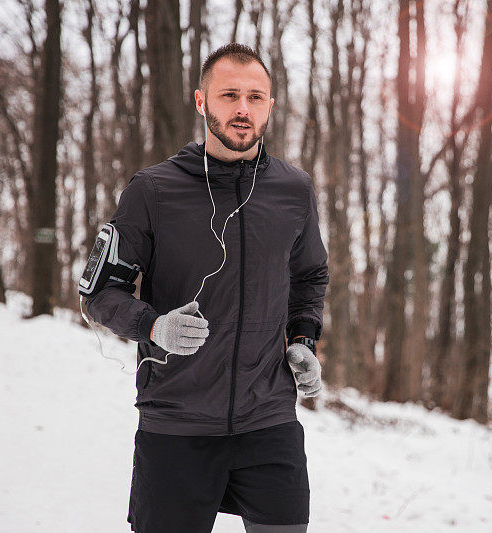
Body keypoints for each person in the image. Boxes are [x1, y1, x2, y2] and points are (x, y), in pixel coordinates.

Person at [84, 43, 329, 533]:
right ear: (201, 101)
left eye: (256, 97)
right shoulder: (152, 190)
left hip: (269, 420)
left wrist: (302, 340)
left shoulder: (294, 189)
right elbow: (98, 295)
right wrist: (154, 327)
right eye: (229, 95)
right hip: (177, 424)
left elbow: (309, 276)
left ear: (270, 106)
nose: (243, 109)